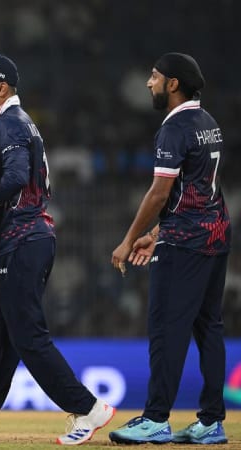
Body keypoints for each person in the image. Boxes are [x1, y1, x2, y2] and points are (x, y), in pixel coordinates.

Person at [0, 53, 115, 445]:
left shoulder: (11, 124)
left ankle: (88, 409)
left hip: (26, 242)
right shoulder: (13, 123)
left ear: (1, 88)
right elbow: (26, 190)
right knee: (1, 339)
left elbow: (17, 179)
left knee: (29, 338)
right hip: (20, 239)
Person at [108, 53, 230, 445]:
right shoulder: (207, 123)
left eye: (155, 76)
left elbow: (160, 192)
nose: (149, 83)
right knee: (209, 328)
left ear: (173, 84)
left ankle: (156, 419)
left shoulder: (174, 128)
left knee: (165, 329)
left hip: (184, 244)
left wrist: (129, 239)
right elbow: (196, 191)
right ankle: (211, 421)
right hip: (214, 236)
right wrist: (158, 231)